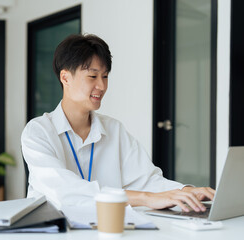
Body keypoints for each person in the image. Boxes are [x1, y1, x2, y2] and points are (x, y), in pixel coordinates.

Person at [21, 34, 215, 212]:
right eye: (93, 76)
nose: (102, 86)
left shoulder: (114, 129)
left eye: (105, 76)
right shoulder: (38, 132)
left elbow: (146, 180)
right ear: (65, 77)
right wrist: (146, 199)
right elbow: (64, 191)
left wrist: (187, 191)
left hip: (105, 229)